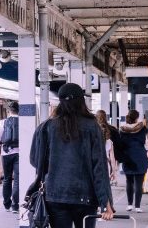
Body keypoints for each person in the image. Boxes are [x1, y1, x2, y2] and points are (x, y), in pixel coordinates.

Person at [29, 83, 114, 228]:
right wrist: (105, 202)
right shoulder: (92, 126)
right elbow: (99, 167)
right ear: (81, 101)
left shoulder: (46, 127)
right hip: (86, 196)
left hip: (55, 195)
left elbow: (35, 160)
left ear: (60, 101)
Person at [0, 101, 20, 213]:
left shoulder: (3, 122)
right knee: (17, 179)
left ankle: (7, 203)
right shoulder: (22, 122)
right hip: (19, 154)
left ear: (9, 111)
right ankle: (15, 205)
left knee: (7, 179)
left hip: (6, 153)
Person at [119, 109, 148, 212]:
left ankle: (129, 205)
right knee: (139, 183)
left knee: (129, 181)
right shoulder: (143, 129)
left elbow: (120, 143)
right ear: (137, 118)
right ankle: (137, 206)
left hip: (127, 157)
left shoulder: (122, 129)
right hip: (140, 157)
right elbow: (147, 143)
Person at [95, 110, 118, 186]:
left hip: (95, 165)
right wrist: (114, 172)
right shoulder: (109, 142)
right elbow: (112, 158)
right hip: (106, 166)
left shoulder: (93, 139)